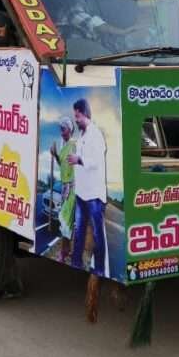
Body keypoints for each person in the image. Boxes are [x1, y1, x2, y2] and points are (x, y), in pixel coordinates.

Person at [69, 98, 108, 276]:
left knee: (98, 235)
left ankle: (99, 269)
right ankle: (76, 264)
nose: (76, 120)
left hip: (93, 196)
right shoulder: (81, 136)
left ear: (85, 114)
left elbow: (96, 161)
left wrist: (79, 159)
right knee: (79, 231)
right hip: (81, 194)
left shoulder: (96, 135)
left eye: (77, 116)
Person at [49, 117, 78, 264]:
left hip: (73, 189)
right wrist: (55, 154)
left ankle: (63, 253)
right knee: (66, 222)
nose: (61, 130)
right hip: (65, 188)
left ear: (69, 129)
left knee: (66, 222)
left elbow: (77, 166)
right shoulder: (64, 146)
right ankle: (67, 251)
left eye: (63, 127)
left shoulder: (73, 145)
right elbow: (62, 166)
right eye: (60, 127)